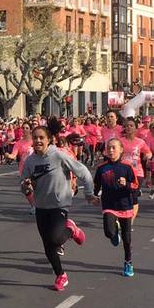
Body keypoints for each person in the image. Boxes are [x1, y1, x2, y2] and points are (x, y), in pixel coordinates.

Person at [19, 122, 95, 291]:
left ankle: (72, 229)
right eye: (35, 138)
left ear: (49, 140)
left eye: (41, 138)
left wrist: (89, 193)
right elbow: (23, 184)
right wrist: (26, 186)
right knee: (48, 246)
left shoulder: (59, 155)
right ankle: (61, 275)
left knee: (55, 238)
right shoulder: (30, 160)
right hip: (41, 205)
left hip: (59, 203)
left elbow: (83, 172)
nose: (38, 141)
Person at [92, 137, 140, 277]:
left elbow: (136, 187)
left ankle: (128, 261)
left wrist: (127, 184)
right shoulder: (102, 168)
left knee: (127, 239)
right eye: (109, 148)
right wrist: (94, 196)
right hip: (109, 204)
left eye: (114, 147)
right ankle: (114, 235)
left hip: (125, 204)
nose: (111, 150)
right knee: (108, 231)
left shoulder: (127, 167)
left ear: (121, 150)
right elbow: (97, 186)